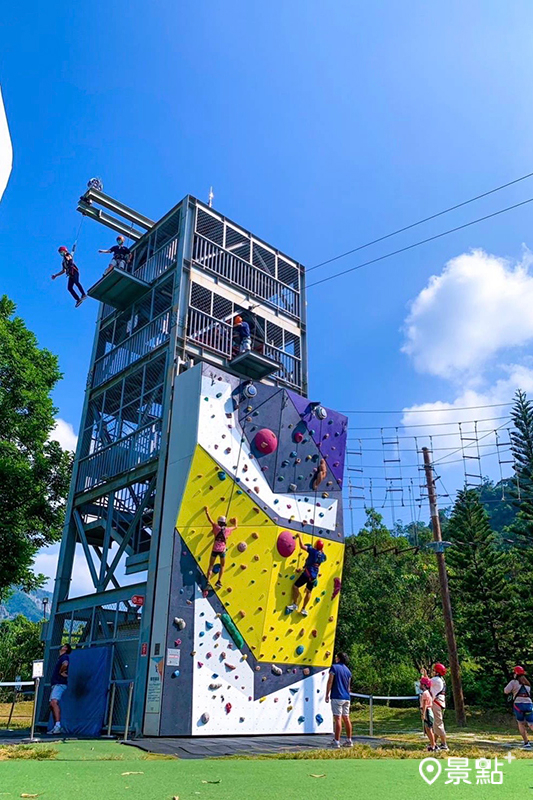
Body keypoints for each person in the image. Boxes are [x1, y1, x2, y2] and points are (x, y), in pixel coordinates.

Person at [286, 535, 326, 617]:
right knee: (309, 591)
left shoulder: (313, 551)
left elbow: (302, 546)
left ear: (315, 546)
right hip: (314, 576)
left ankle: (295, 604)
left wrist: (300, 536)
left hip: (307, 574)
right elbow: (323, 557)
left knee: (295, 587)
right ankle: (304, 609)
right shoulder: (322, 556)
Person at [204, 506, 237, 589]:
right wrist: (235, 521)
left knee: (211, 565)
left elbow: (210, 520)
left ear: (218, 522)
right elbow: (236, 527)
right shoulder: (227, 530)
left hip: (214, 549)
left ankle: (208, 581)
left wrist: (207, 512)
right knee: (222, 565)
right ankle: (219, 581)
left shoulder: (216, 527)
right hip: (222, 551)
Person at [326, 653, 353, 748]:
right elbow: (348, 687)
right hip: (346, 697)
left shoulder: (334, 667)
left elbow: (330, 681)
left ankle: (337, 741)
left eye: (336, 657)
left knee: (338, 719)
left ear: (339, 658)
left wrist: (327, 694)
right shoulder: (348, 671)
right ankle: (349, 740)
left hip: (337, 696)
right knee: (346, 718)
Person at [504, 665, 533, 749]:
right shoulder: (527, 684)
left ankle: (526, 742)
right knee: (531, 724)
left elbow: (506, 691)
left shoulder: (513, 682)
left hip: (518, 705)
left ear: (515, 674)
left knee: (521, 723)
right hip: (529, 704)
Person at [48, 643, 71, 734]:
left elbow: (65, 664)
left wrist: (61, 671)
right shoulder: (60, 658)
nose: (61, 646)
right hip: (56, 684)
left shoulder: (64, 657)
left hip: (60, 684)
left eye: (64, 646)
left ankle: (58, 726)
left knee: (54, 702)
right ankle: (56, 726)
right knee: (52, 704)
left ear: (65, 649)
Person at [429, 662, 448, 751]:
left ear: (437, 672)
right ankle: (434, 743)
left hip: (436, 703)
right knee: (436, 724)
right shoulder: (441, 679)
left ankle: (444, 744)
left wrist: (423, 674)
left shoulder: (436, 679)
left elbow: (425, 683)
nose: (432, 672)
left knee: (438, 724)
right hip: (440, 702)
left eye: (434, 670)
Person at [420, 676, 437, 751]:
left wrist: (423, 714)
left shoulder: (425, 694)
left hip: (427, 711)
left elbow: (425, 704)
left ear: (424, 685)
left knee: (429, 730)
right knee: (428, 729)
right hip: (429, 711)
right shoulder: (428, 693)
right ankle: (432, 744)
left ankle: (433, 745)